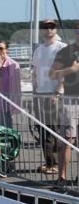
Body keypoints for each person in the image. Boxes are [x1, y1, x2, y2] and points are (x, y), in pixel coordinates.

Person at [33, 20, 67, 175]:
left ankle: (53, 164)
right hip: (40, 94)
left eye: (51, 26)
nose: (48, 29)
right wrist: (34, 91)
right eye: (45, 27)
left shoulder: (62, 47)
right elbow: (35, 72)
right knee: (43, 130)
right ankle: (49, 162)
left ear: (56, 29)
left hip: (54, 95)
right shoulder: (38, 50)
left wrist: (58, 92)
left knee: (53, 130)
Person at [50, 30, 79, 191]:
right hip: (71, 101)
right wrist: (71, 70)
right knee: (67, 141)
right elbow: (52, 74)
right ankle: (61, 177)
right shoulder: (66, 52)